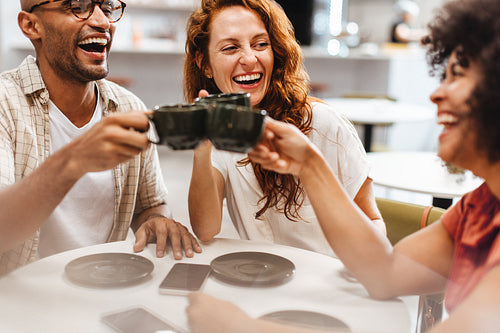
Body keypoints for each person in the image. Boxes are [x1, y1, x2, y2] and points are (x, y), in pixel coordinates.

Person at [186, 0, 500, 331]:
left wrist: (244, 328)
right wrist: (308, 163)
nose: (436, 94)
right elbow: (385, 273)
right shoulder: (478, 209)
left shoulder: (325, 122)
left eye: (457, 75)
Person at [0, 0, 201, 275]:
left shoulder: (129, 107)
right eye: (77, 6)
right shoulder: (5, 104)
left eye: (106, 8)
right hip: (19, 306)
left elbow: (151, 204)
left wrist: (156, 220)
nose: (103, 22)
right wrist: (73, 161)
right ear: (31, 25)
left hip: (103, 292)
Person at [184, 0, 385, 257]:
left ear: (275, 51)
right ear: (205, 64)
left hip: (330, 284)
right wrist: (201, 151)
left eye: (261, 44)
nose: (249, 58)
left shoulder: (323, 124)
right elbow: (205, 229)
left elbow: (374, 223)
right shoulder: (221, 134)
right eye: (231, 47)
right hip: (263, 285)